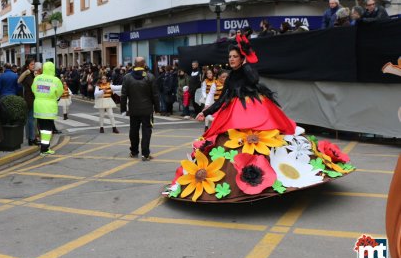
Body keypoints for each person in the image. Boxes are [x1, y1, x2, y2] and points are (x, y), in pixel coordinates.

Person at [163, 35, 354, 203]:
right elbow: (222, 99)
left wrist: (246, 65)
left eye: (235, 56)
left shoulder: (247, 70)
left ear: (242, 58)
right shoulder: (229, 78)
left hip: (255, 107)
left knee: (268, 137)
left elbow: (254, 80)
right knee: (230, 143)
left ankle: (277, 175)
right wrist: (205, 112)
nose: (231, 60)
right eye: (229, 57)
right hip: (235, 111)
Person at [120, 57, 160, 161]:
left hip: (133, 109)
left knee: (133, 130)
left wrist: (123, 109)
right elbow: (155, 94)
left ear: (134, 64)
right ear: (144, 64)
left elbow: (123, 95)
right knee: (146, 131)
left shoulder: (127, 77)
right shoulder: (150, 77)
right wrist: (157, 108)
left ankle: (134, 152)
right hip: (147, 109)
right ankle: (145, 154)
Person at [31, 61, 63, 156]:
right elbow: (59, 92)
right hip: (49, 107)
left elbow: (33, 89)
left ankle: (44, 147)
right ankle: (44, 149)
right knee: (47, 129)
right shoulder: (55, 80)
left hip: (38, 106)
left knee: (41, 127)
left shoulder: (37, 78)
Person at [18, 58, 39, 146]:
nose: (33, 66)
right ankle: (31, 138)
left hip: (30, 98)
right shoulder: (28, 75)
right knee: (31, 119)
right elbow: (33, 86)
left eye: (34, 64)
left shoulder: (29, 74)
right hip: (30, 99)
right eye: (31, 64)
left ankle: (32, 138)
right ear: (27, 66)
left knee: (31, 119)